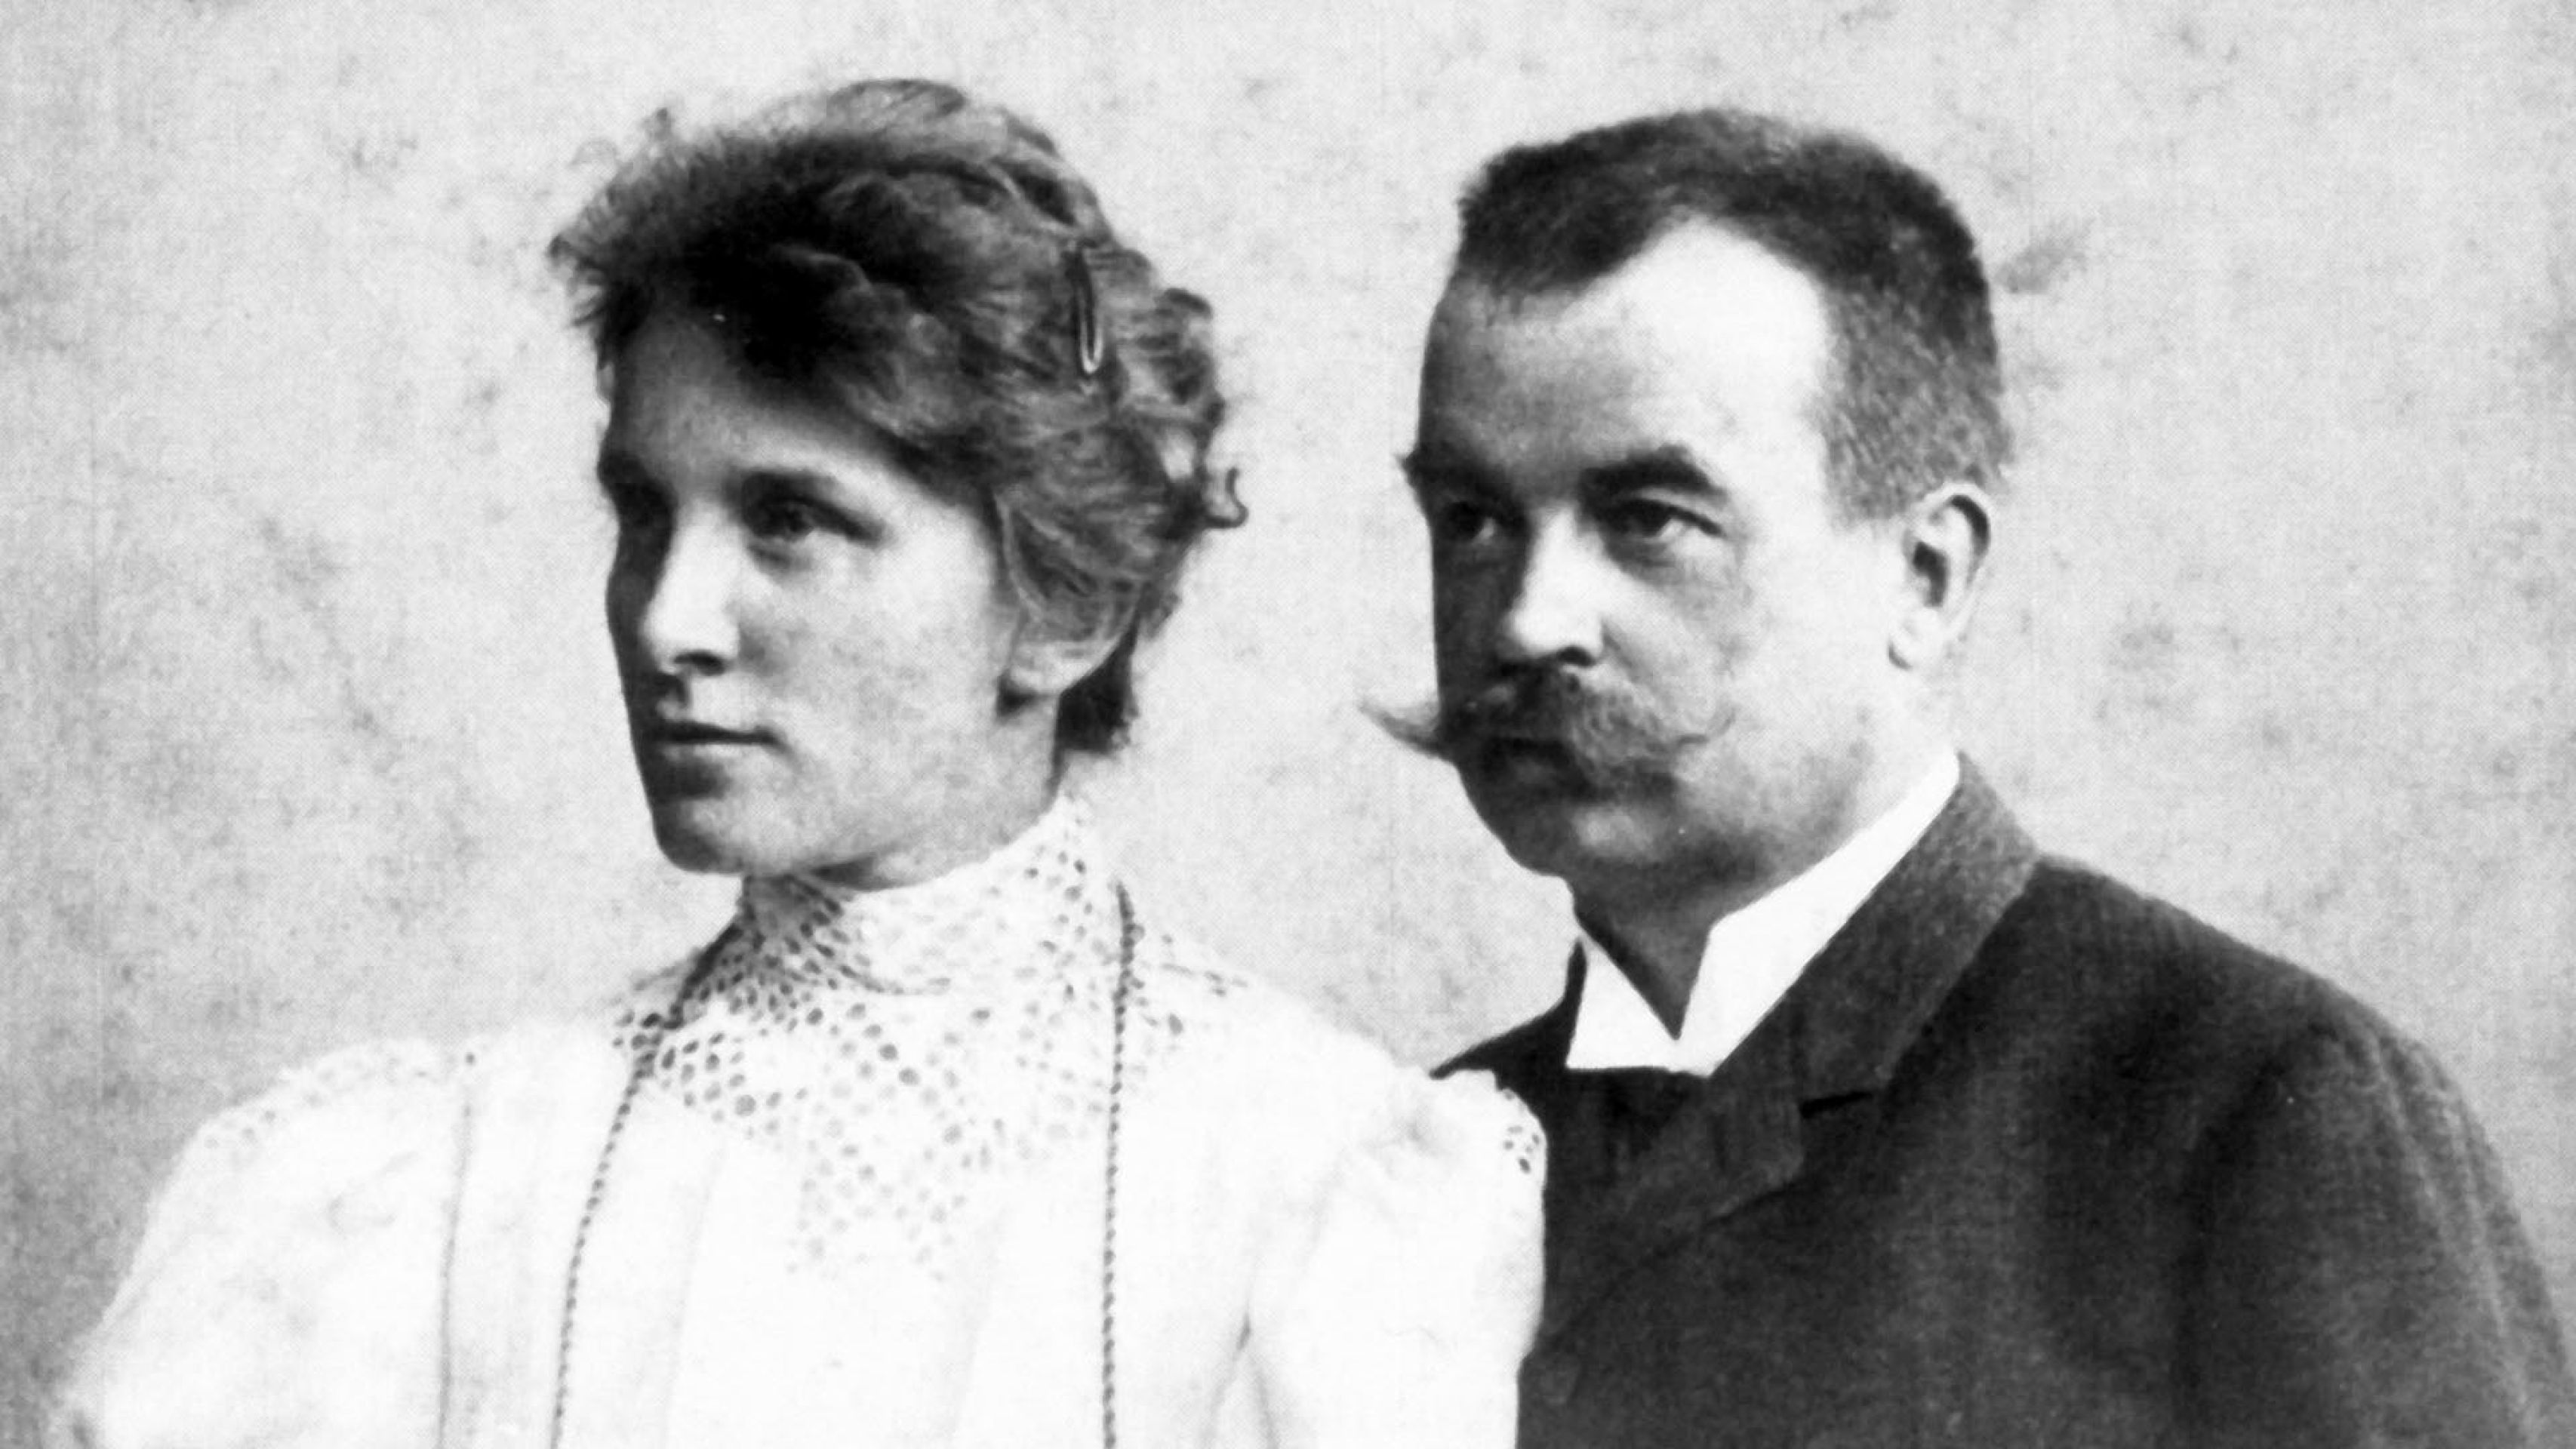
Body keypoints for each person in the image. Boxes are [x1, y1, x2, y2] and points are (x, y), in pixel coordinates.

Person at [53, 79, 1539, 1449]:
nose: (669, 620)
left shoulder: (1316, 1179)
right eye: (646, 513)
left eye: (789, 522)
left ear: (1064, 602)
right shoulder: (437, 1187)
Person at [1399, 106, 2574, 1445]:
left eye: (1650, 521)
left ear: (1925, 577)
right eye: (1471, 520)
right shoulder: (1422, 1152)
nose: (1525, 620)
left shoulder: (2247, 1106)